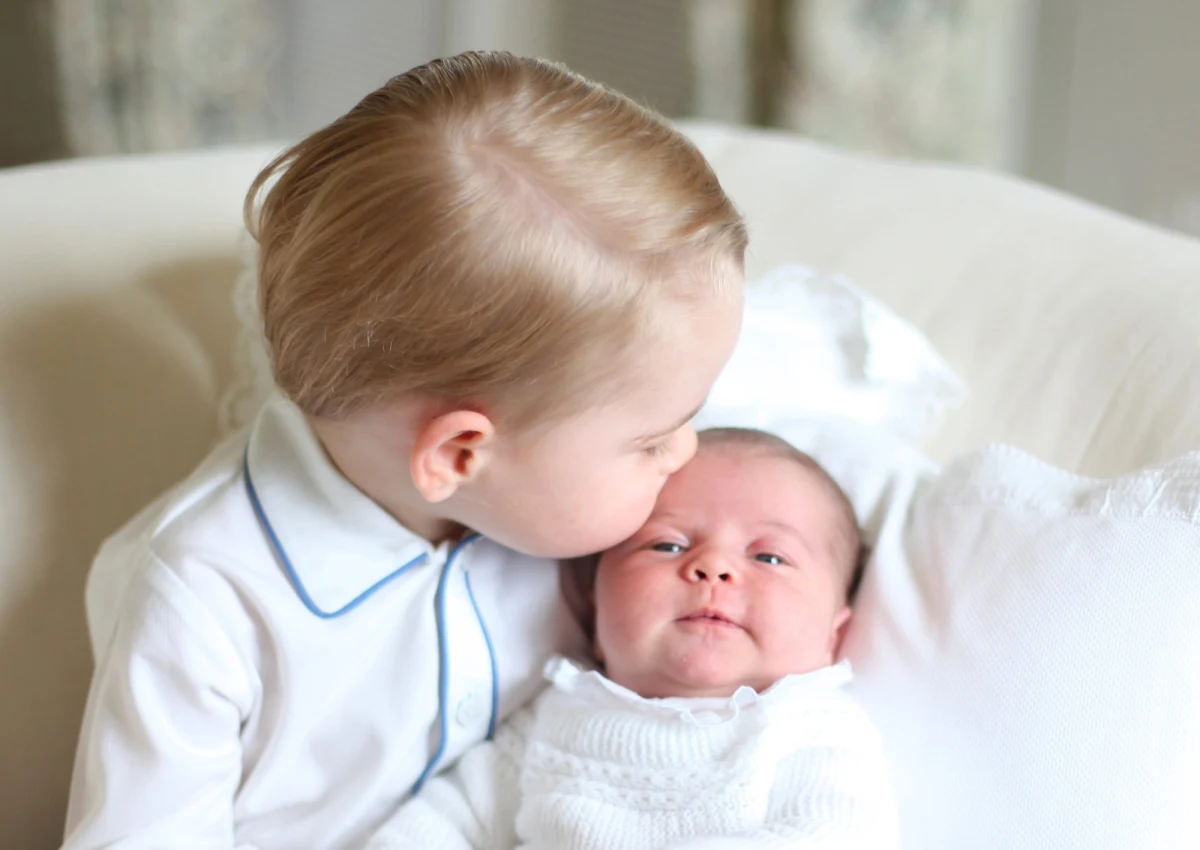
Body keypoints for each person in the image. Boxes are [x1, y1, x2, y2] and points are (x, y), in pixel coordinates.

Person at [61, 52, 746, 850]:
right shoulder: (204, 599)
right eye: (653, 440)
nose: (685, 451)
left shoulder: (569, 493)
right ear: (459, 455)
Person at [367, 427, 900, 850]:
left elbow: (837, 836)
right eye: (666, 545)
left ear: (835, 634)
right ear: (595, 607)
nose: (712, 567)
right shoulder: (556, 715)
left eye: (768, 557)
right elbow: (454, 820)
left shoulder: (814, 729)